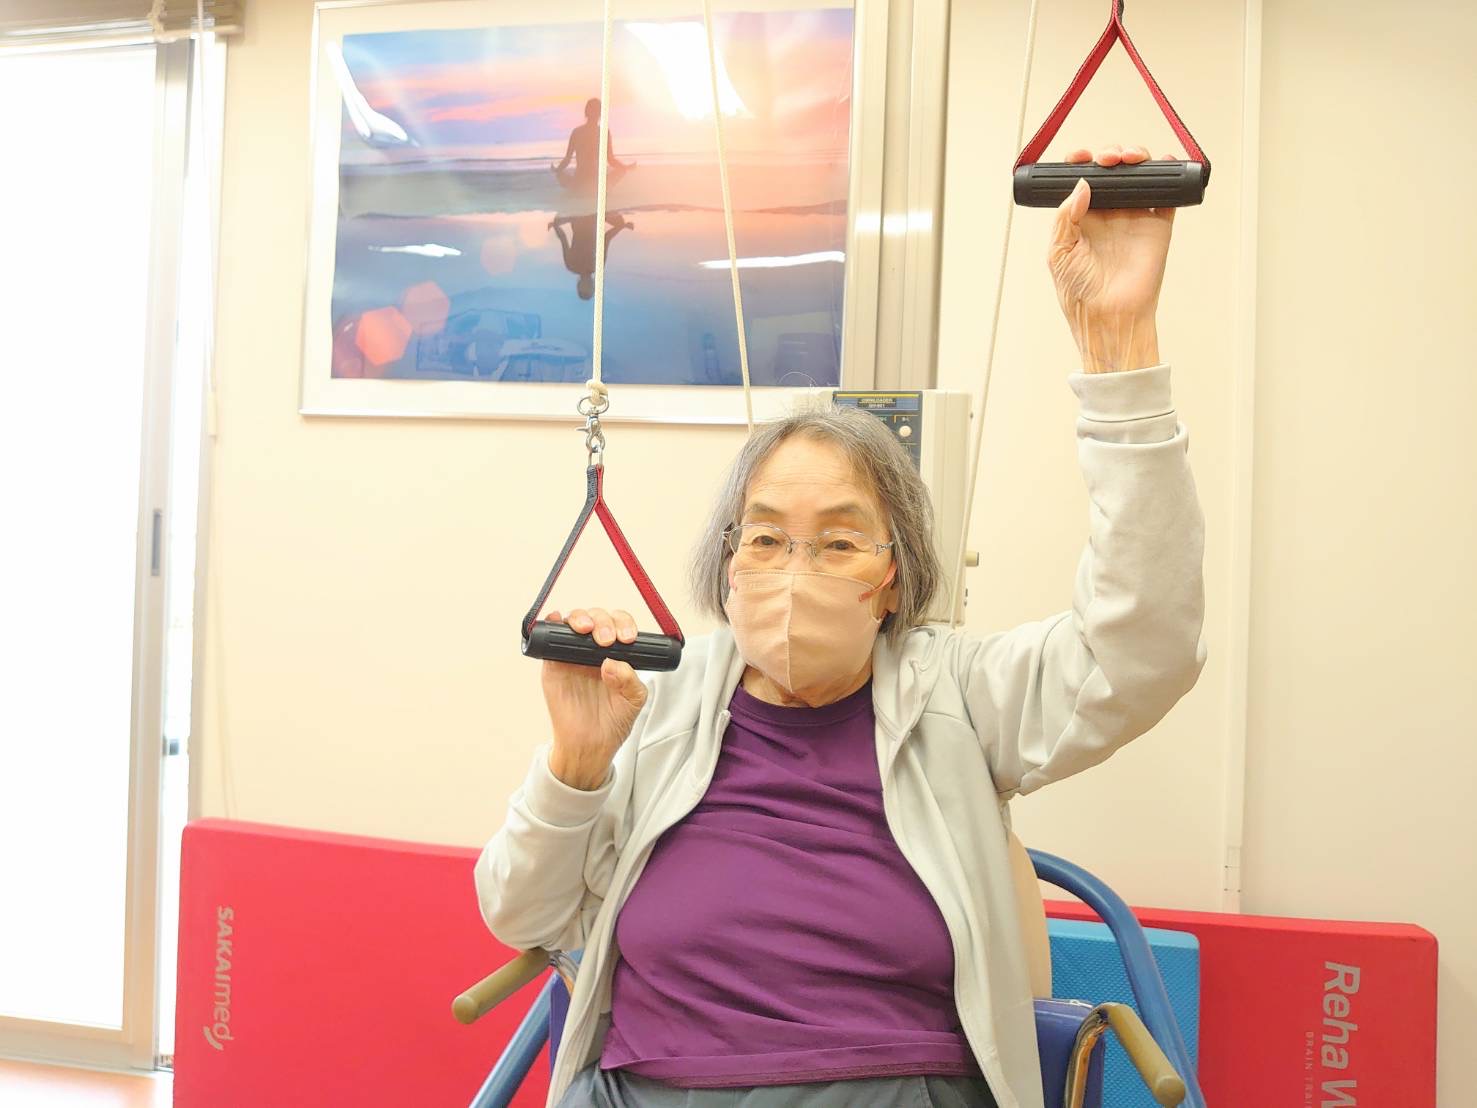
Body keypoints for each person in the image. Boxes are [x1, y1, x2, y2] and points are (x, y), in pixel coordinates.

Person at [476, 143, 1208, 1108]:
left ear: (894, 577)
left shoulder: (959, 696)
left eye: (838, 542)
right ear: (726, 561)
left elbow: (1141, 644)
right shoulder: (657, 703)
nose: (795, 571)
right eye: (766, 538)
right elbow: (521, 914)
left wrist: (1118, 353)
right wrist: (575, 768)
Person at [553, 97, 634, 193]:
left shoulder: (577, 132)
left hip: (578, 183)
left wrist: (557, 170)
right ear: (600, 114)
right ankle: (598, 189)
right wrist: (625, 167)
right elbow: (610, 159)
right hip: (597, 184)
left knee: (559, 174)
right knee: (622, 170)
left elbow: (567, 159)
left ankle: (577, 188)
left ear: (586, 112)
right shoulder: (604, 132)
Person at [550, 210, 635, 301]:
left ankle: (580, 211)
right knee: (619, 223)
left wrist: (622, 226)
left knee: (619, 223)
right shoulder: (572, 266)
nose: (590, 284)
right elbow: (563, 238)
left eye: (588, 286)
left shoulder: (592, 267)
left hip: (585, 218)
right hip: (582, 219)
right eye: (590, 286)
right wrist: (555, 226)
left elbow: (606, 238)